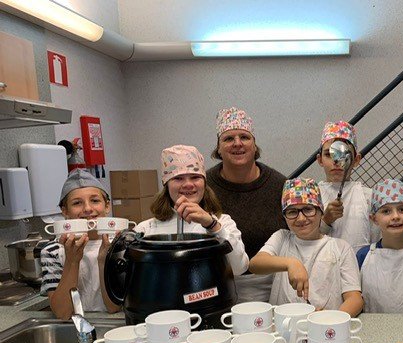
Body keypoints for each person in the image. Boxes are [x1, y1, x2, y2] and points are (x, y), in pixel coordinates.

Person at [249, 178, 363, 318]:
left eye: (308, 210)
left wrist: (332, 318)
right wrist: (291, 263)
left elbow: (354, 299)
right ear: (284, 216)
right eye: (292, 212)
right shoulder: (282, 238)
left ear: (321, 211)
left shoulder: (340, 247)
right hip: (284, 324)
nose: (301, 219)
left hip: (326, 326)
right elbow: (255, 264)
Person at [206, 107, 287, 302]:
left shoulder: (279, 185)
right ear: (218, 147)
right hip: (217, 286)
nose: (237, 143)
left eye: (244, 137)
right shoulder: (203, 186)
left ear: (254, 145)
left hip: (274, 287)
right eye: (228, 139)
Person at [135, 145, 248, 276]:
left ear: (204, 183)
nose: (188, 184)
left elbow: (239, 268)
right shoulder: (146, 229)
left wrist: (212, 225)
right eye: (178, 178)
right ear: (166, 185)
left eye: (195, 177)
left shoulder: (223, 222)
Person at [40, 169, 120, 319]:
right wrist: (72, 261)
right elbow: (62, 313)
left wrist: (104, 261)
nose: (88, 209)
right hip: (73, 327)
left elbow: (113, 307)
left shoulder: (120, 244)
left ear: (107, 206)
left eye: (95, 201)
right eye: (77, 203)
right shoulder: (52, 251)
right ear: (65, 211)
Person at [357, 179, 403, 313]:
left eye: (402, 209)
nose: (395, 216)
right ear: (374, 219)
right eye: (386, 211)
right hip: (371, 327)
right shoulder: (363, 256)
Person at [316, 121, 380, 252]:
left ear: (356, 160)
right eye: (328, 154)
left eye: (343, 154)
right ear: (320, 160)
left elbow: (378, 243)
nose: (336, 161)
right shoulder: (312, 197)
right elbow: (303, 242)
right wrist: (325, 221)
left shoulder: (369, 197)